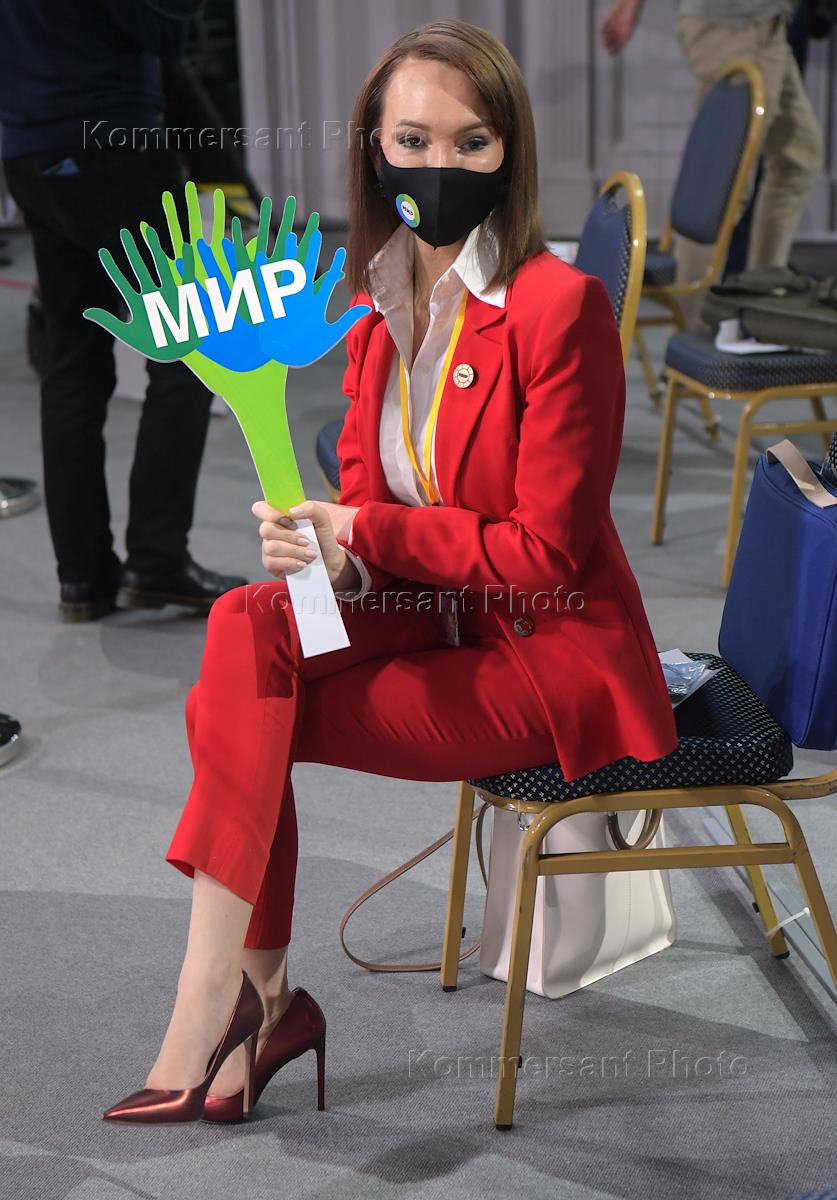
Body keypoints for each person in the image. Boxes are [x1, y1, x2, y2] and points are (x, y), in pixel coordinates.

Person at [101, 18, 680, 1124]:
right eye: (412, 140)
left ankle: (229, 1007)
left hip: (540, 653)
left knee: (235, 717)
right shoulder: (373, 312)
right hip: (426, 616)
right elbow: (371, 529)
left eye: (471, 143)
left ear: (509, 154)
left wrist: (363, 530)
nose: (438, 166)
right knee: (244, 628)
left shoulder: (559, 311)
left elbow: (543, 558)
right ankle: (248, 997)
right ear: (373, 147)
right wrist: (331, 555)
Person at [0, 0, 246, 622]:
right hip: (113, 144)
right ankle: (156, 561)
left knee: (71, 364)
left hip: (30, 148)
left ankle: (83, 577)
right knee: (190, 351)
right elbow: (161, 30)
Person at [600, 0, 824, 308]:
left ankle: (763, 297)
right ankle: (688, 323)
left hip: (767, 26)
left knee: (798, 156)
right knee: (718, 190)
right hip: (737, 27)